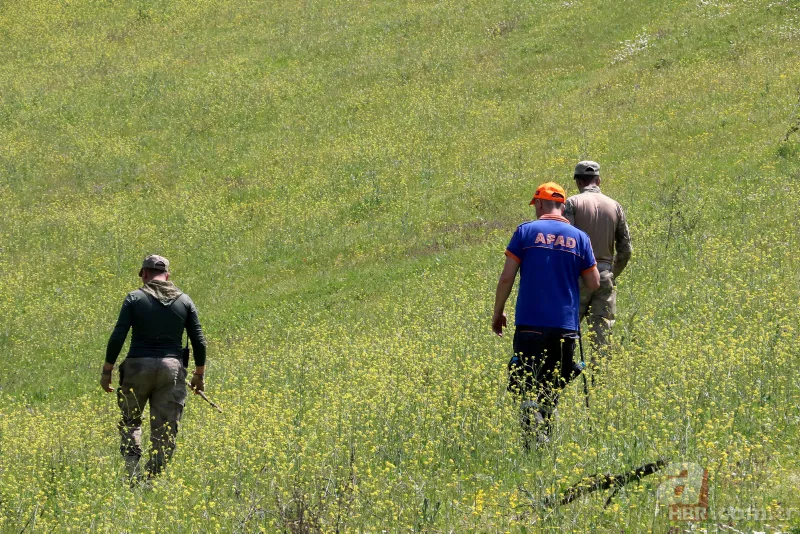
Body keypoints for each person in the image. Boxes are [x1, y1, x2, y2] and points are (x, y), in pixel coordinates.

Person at [492, 183, 600, 446]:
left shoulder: (525, 232)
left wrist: (498, 312)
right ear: (562, 205)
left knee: (525, 384)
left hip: (530, 324)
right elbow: (594, 282)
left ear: (539, 204)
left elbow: (507, 277)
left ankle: (533, 442)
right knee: (551, 388)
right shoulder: (580, 238)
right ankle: (545, 442)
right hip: (565, 326)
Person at [100, 255, 207, 483]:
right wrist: (199, 374)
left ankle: (132, 474)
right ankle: (152, 479)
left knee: (131, 420)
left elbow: (118, 335)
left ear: (145, 274)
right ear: (167, 275)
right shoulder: (184, 301)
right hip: (172, 369)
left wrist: (107, 370)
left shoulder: (134, 298)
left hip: (137, 367)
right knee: (166, 427)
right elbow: (199, 340)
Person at [564, 161, 632, 361]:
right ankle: (600, 376)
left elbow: (566, 242)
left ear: (578, 182)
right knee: (602, 337)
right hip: (604, 275)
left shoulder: (571, 203)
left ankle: (564, 370)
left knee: (567, 330)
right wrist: (610, 273)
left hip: (577, 277)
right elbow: (626, 249)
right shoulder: (615, 206)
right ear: (599, 180)